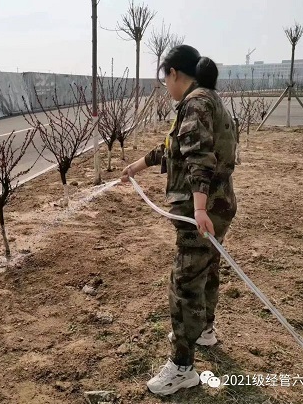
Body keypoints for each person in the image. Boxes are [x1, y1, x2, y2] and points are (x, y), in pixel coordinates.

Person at [120, 45, 237, 396]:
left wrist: (198, 209)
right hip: (220, 204)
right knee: (208, 269)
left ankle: (182, 367)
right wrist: (135, 167)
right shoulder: (207, 99)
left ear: (173, 73)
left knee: (185, 282)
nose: (165, 87)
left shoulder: (195, 103)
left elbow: (198, 157)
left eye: (164, 79)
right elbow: (174, 147)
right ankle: (204, 330)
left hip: (200, 209)